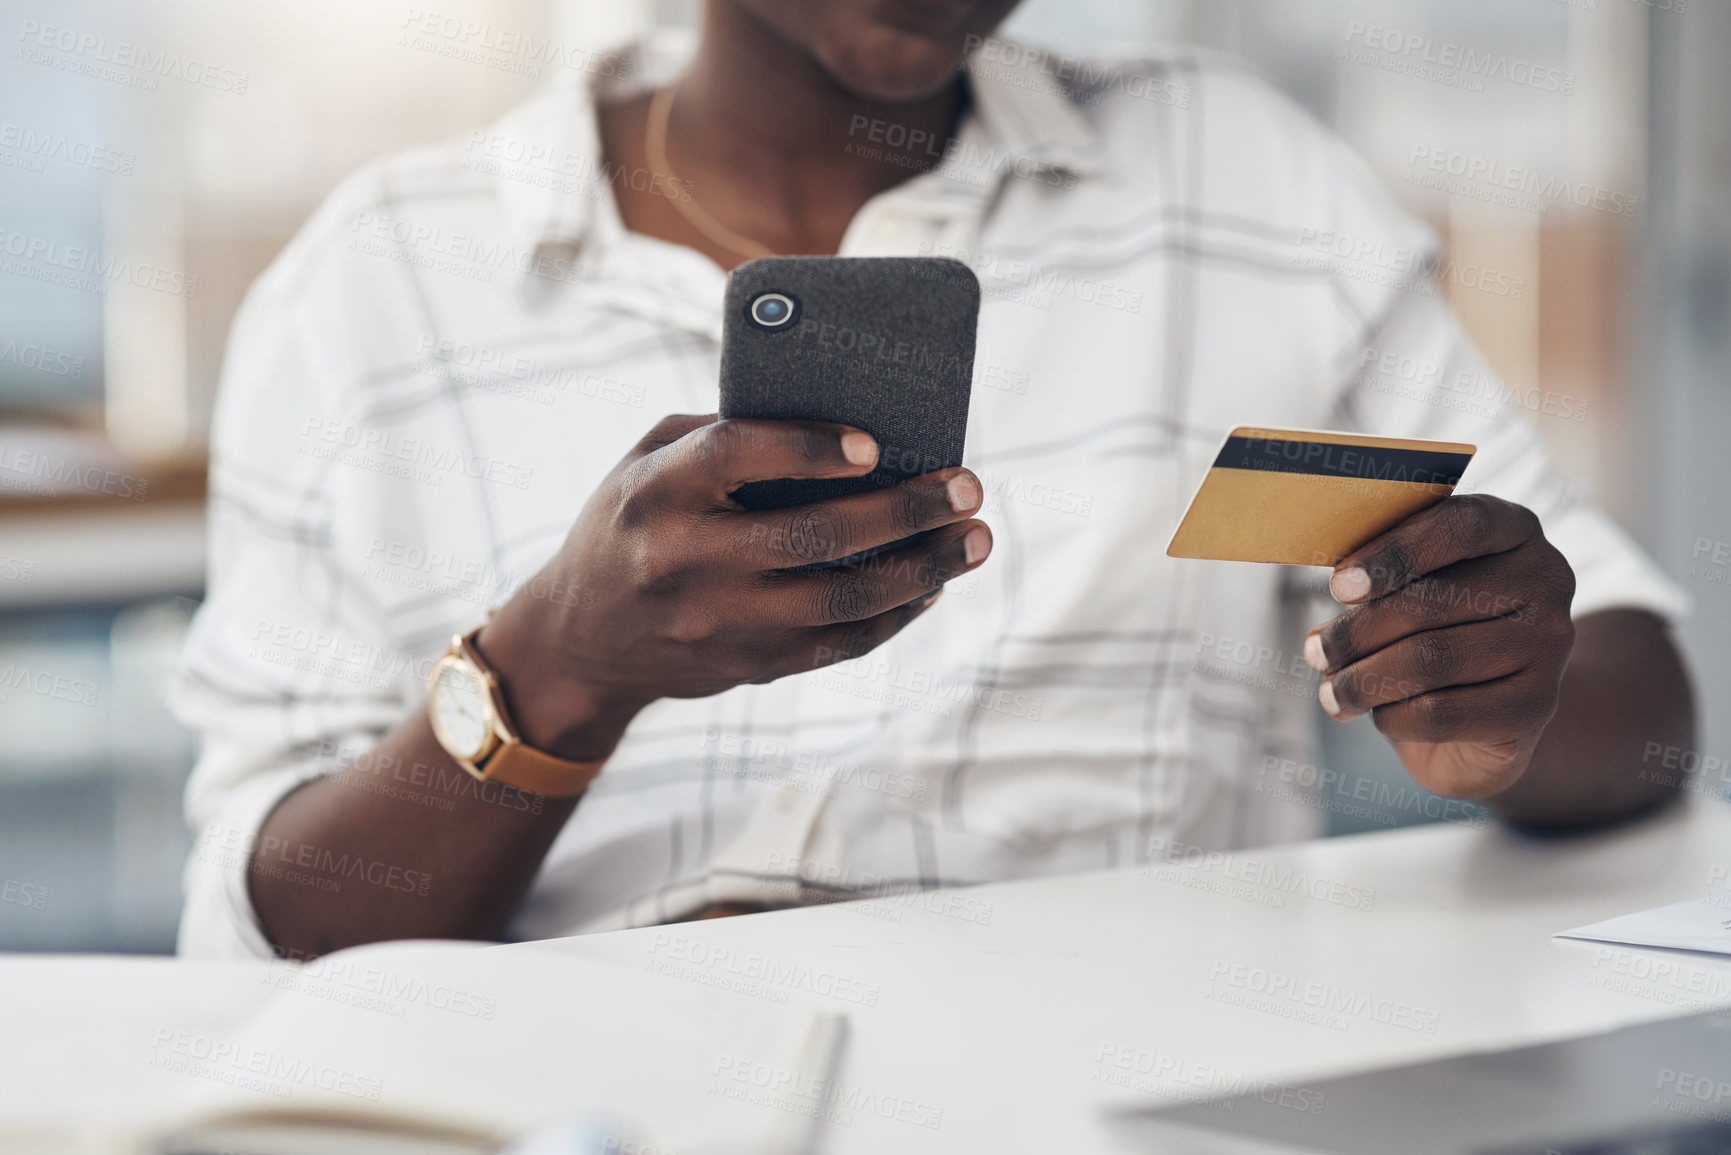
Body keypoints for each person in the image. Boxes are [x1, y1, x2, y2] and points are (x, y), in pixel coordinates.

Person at [174, 0, 1695, 960]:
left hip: (1121, 1097)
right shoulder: (377, 280)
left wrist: (1510, 693)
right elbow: (282, 929)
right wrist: (558, 672)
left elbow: (1641, 695)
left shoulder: (1250, 185)